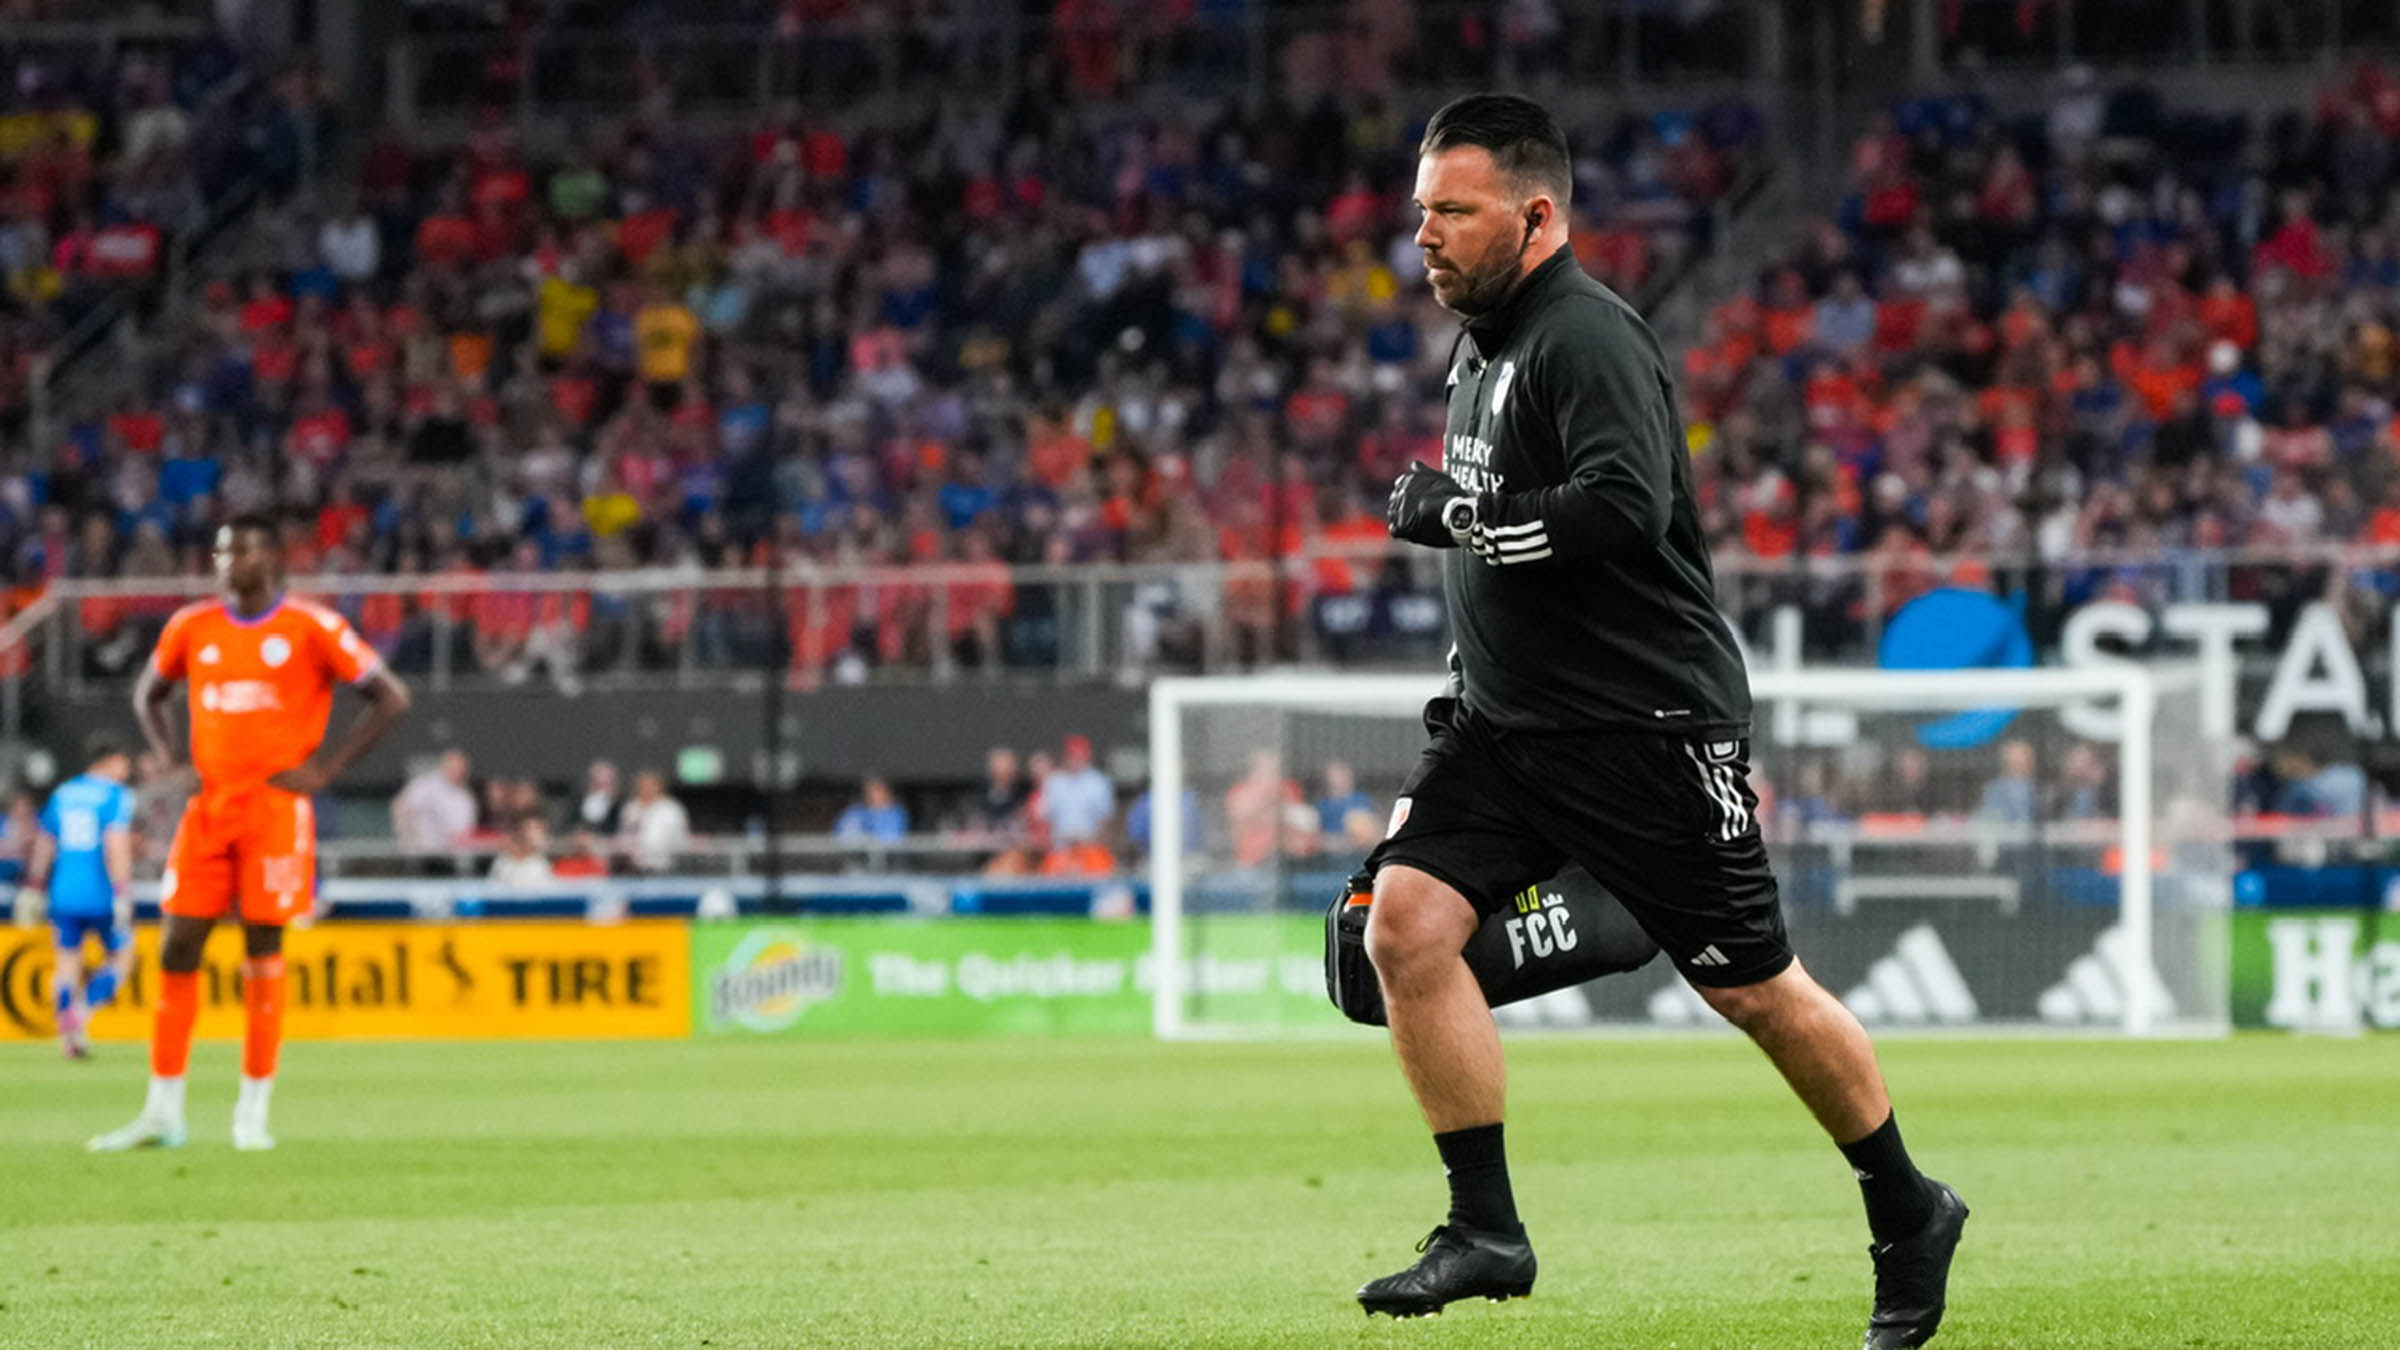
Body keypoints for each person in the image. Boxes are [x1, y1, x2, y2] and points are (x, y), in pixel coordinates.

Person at [1360, 95, 1964, 1345]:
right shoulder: (1481, 344)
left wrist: (1454, 519)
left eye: (1451, 211)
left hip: (1646, 729)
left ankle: (1908, 1209)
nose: (1423, 233)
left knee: (1754, 991)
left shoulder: (1584, 334)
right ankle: (1487, 1229)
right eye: (1421, 209)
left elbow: (1623, 509)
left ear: (1534, 216)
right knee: (1396, 936)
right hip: (1503, 728)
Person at [92, 512, 411, 1152]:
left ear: (272, 560)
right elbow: (148, 693)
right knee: (177, 948)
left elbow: (390, 697)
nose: (225, 562)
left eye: (239, 551)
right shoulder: (193, 626)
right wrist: (170, 759)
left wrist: (327, 769)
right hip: (208, 809)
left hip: (274, 811)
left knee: (262, 954)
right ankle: (162, 1112)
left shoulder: (310, 626)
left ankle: (252, 1114)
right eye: (219, 551)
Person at [20, 733, 138, 1060]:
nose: (126, 771)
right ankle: (82, 1013)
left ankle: (68, 1036)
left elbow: (46, 843)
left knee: (67, 962)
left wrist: (33, 885)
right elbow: (116, 844)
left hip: (63, 892)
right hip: (100, 892)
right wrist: (121, 893)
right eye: (123, 764)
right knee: (124, 957)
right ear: (110, 761)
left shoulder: (64, 793)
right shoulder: (115, 795)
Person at [1037, 734, 1114, 849]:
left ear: (1087, 755)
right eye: (1072, 755)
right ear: (1065, 756)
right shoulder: (1054, 781)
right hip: (1058, 848)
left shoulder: (1099, 782)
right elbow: (1043, 817)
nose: (1075, 759)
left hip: (1091, 847)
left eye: (1080, 755)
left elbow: (1107, 819)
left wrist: (1092, 841)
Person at [393, 749, 476, 854]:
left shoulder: (466, 798)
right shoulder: (426, 785)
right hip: (421, 853)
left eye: (461, 767)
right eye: (454, 765)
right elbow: (401, 806)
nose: (458, 770)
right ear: (445, 765)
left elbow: (465, 832)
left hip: (452, 855)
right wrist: (409, 839)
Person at [617, 769, 690, 874]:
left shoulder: (670, 808)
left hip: (663, 865)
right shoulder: (631, 808)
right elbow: (623, 835)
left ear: (659, 786)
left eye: (650, 785)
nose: (646, 789)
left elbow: (680, 838)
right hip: (633, 866)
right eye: (643, 785)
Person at [834, 775, 909, 843]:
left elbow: (890, 838)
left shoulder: (896, 812)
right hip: (855, 854)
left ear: (887, 792)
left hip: (887, 856)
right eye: (870, 791)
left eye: (878, 790)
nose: (874, 795)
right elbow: (839, 833)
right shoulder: (855, 811)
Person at [487, 816, 555, 887]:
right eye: (530, 829)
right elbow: (492, 889)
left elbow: (547, 891)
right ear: (519, 833)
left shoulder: (540, 864)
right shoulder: (503, 862)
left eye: (538, 829)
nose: (534, 834)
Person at [576, 759, 623, 835]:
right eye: (599, 774)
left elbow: (616, 827)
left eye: (606, 776)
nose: (601, 780)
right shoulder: (579, 800)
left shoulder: (618, 804)